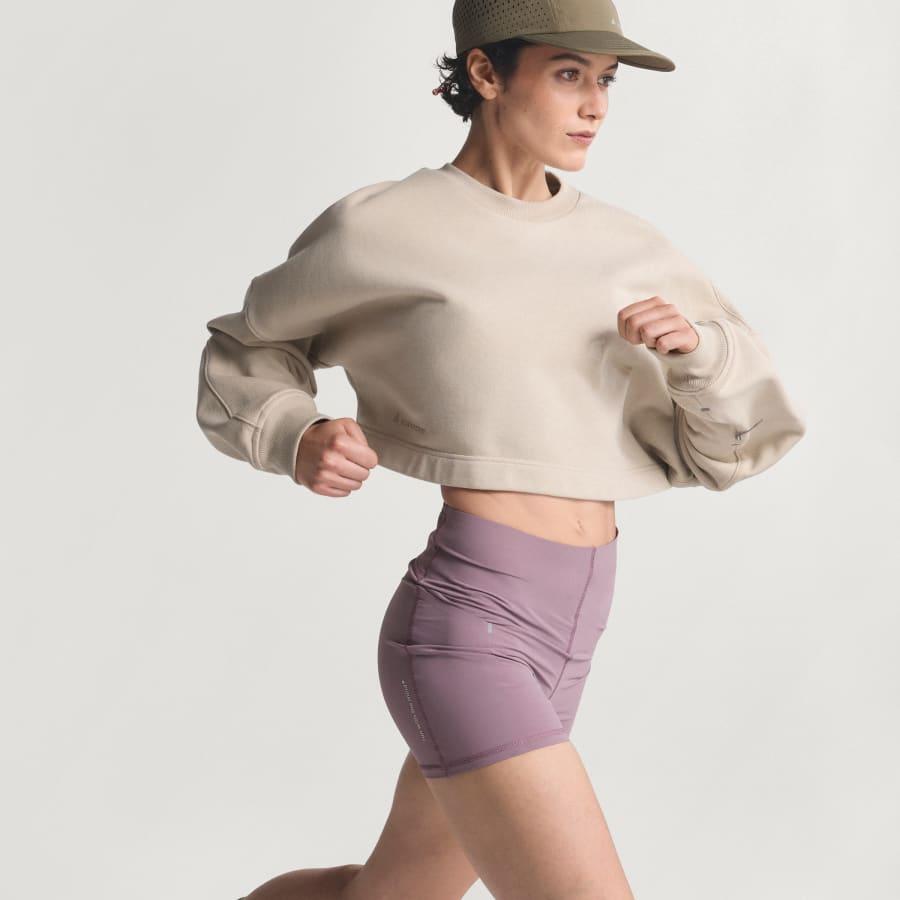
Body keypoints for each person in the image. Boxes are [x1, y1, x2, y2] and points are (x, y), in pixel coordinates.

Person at [197, 1, 806, 898]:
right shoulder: (385, 228)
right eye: (568, 75)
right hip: (468, 625)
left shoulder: (630, 248)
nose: (595, 104)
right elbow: (246, 348)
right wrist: (295, 435)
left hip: (573, 631)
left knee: (387, 894)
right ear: (485, 73)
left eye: (606, 81)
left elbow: (735, 448)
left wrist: (698, 355)